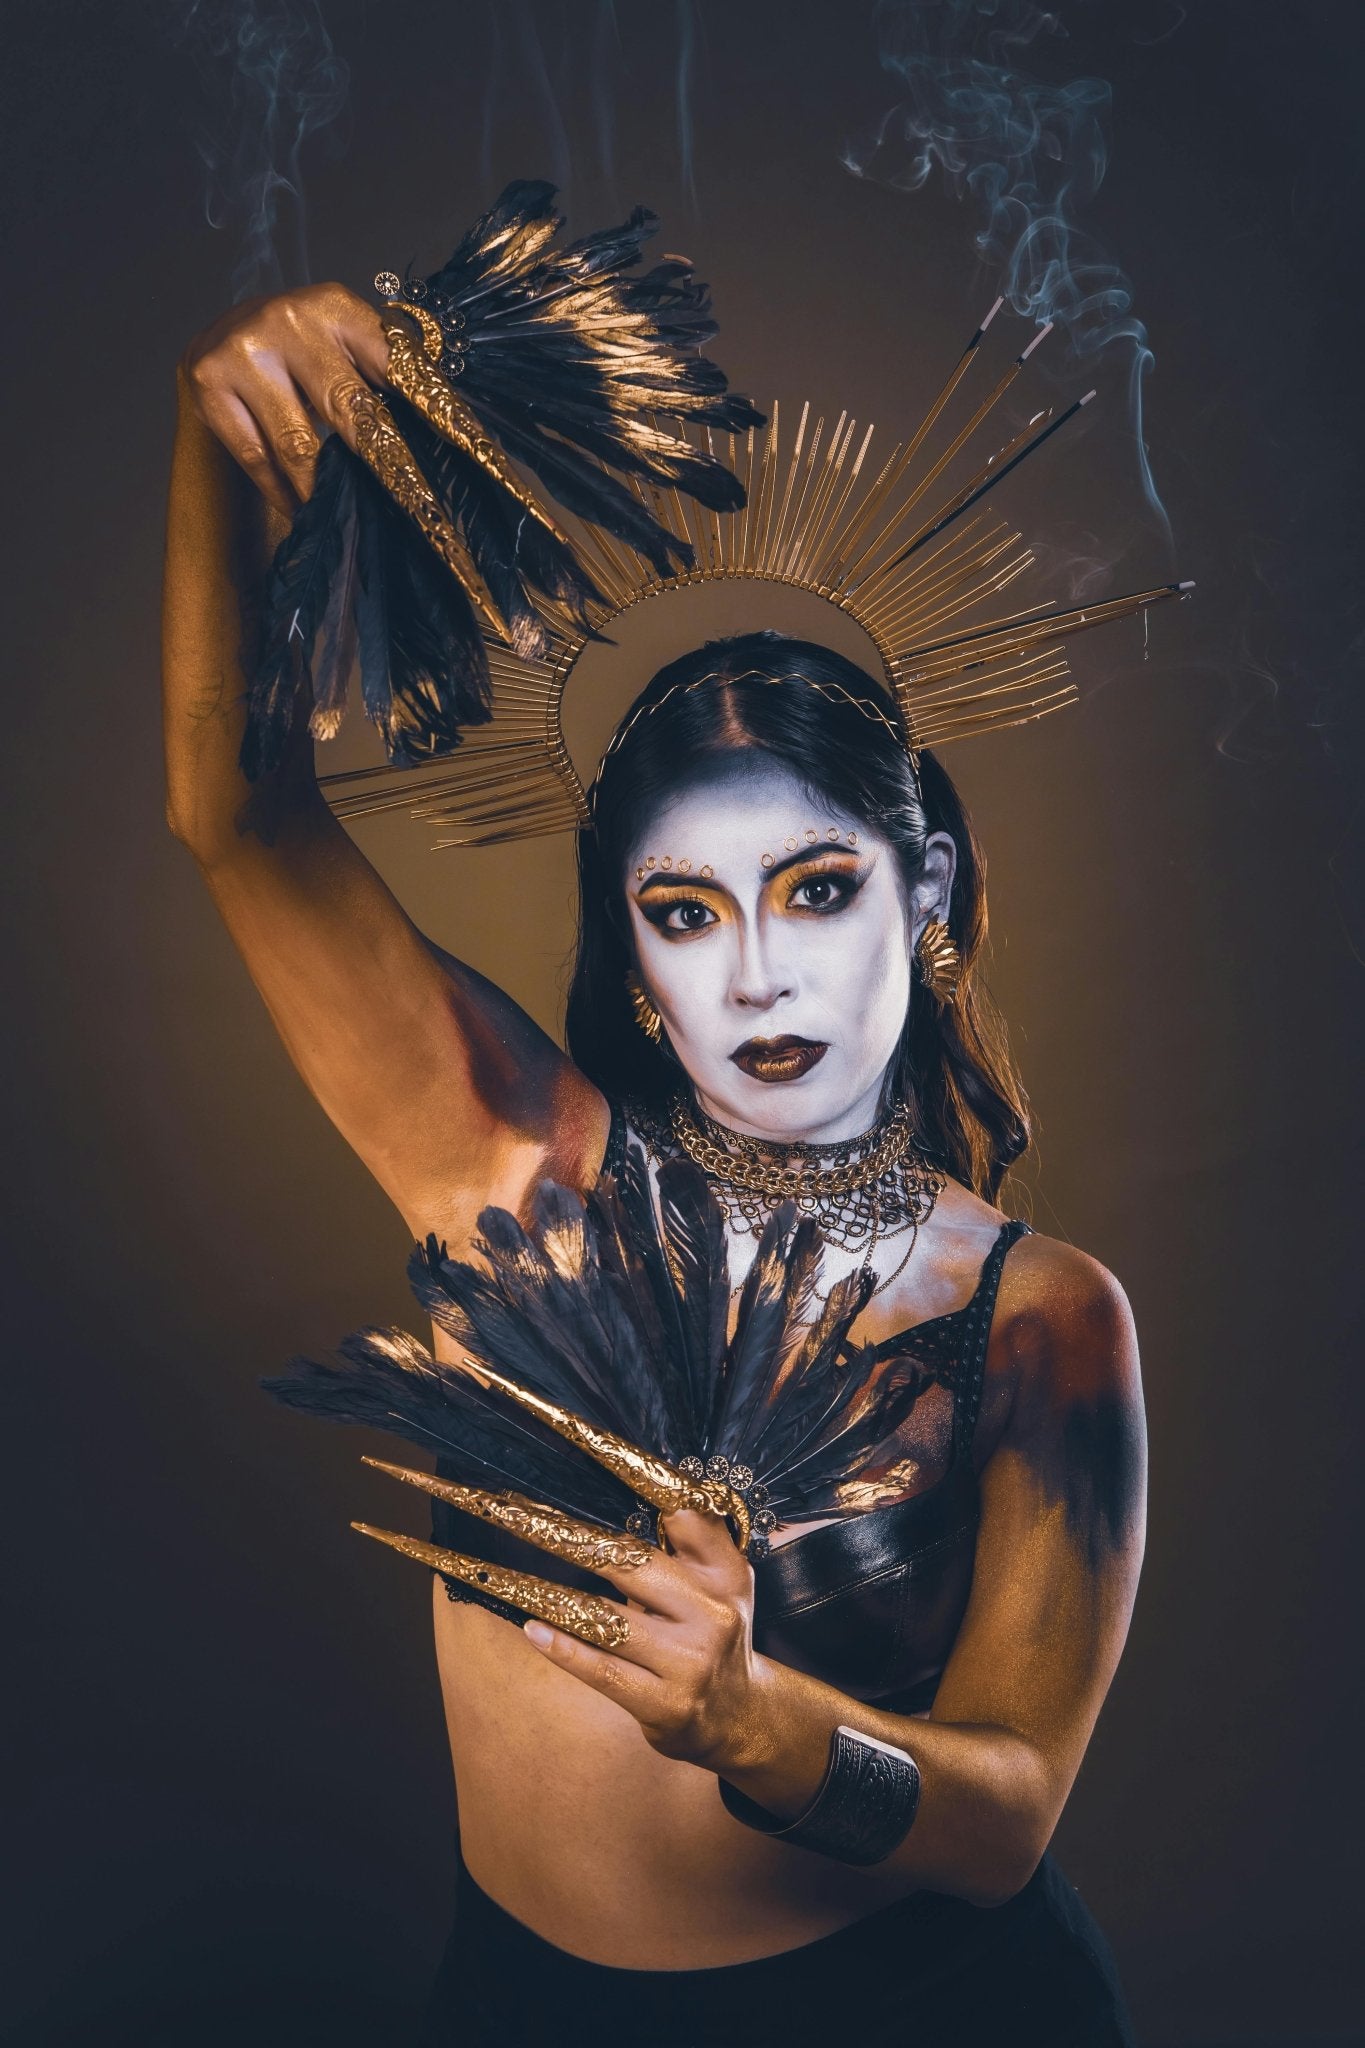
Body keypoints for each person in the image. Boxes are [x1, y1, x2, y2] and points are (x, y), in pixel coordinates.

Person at [164, 267, 1147, 2046]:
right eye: (685, 913)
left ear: (922, 889)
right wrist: (224, 447)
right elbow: (238, 812)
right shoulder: (511, 1165)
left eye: (817, 889)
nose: (757, 975)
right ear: (633, 956)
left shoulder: (1037, 1319)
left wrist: (764, 1724)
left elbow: (1005, 1819)